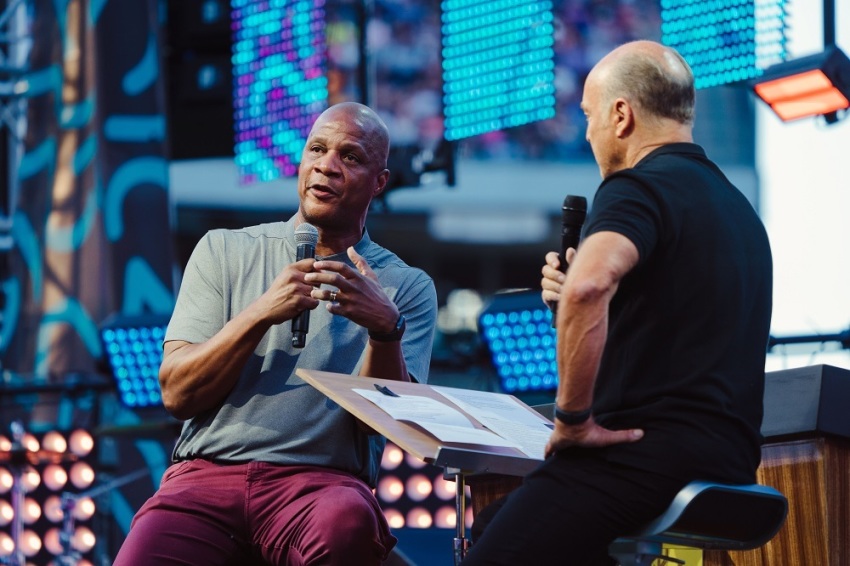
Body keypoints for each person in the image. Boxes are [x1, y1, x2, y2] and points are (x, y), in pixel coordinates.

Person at [462, 40, 773, 565]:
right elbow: (664, 329)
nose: (587, 133)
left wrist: (572, 420)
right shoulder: (739, 210)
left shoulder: (636, 186)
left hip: (642, 457)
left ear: (621, 115)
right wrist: (570, 311)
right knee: (499, 525)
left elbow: (589, 285)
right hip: (728, 461)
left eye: (589, 116)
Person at [113, 102, 438, 566]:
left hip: (320, 484)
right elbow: (177, 394)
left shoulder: (404, 286)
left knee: (347, 524)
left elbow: (383, 430)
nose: (327, 165)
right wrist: (260, 312)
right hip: (207, 476)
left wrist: (386, 331)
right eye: (317, 149)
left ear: (379, 182)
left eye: (350, 157)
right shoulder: (224, 250)